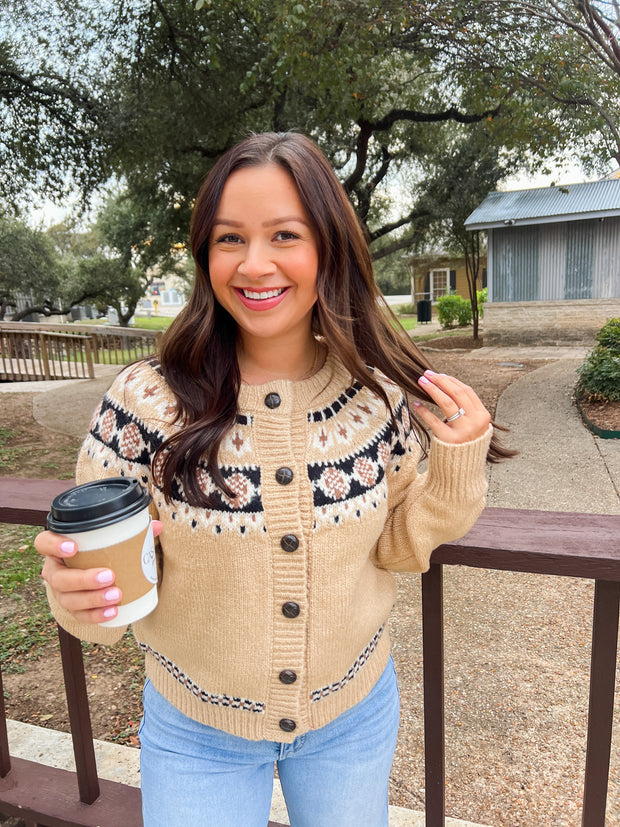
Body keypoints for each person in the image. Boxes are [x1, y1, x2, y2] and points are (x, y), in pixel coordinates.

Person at [36, 131, 506, 827]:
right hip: (196, 734)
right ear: (206, 253)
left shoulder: (374, 398)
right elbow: (106, 595)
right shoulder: (146, 403)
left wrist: (457, 463)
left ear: (329, 249)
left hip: (353, 716)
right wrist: (79, 595)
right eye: (230, 238)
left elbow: (401, 548)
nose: (254, 264)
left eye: (285, 234)